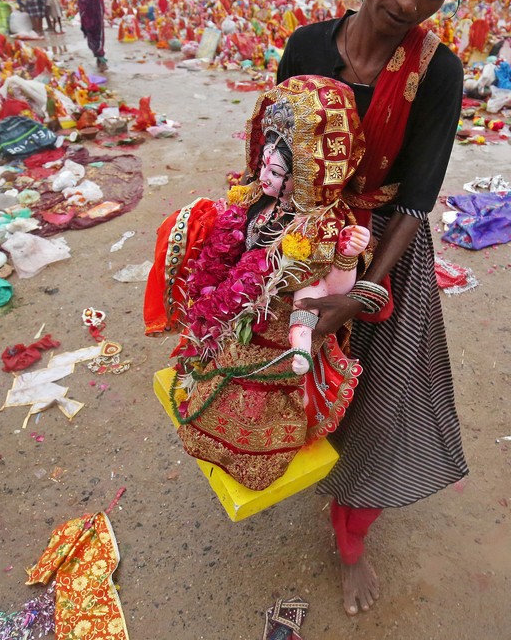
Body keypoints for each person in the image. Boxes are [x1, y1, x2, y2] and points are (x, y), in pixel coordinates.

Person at [275, 0, 475, 617]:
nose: (410, 0)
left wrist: (355, 296)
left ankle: (351, 541)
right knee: (288, 378)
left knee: (377, 407)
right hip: (299, 241)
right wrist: (285, 269)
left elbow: (415, 203)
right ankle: (287, 469)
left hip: (386, 253)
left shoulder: (437, 74)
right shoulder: (303, 47)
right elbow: (277, 158)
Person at [145, 76, 371, 489]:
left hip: (278, 320)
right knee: (215, 343)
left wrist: (347, 255)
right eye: (265, 163)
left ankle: (258, 442)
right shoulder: (259, 197)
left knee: (250, 378)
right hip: (238, 310)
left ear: (305, 176)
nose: (265, 176)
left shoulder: (319, 225)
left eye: (278, 171)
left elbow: (330, 291)